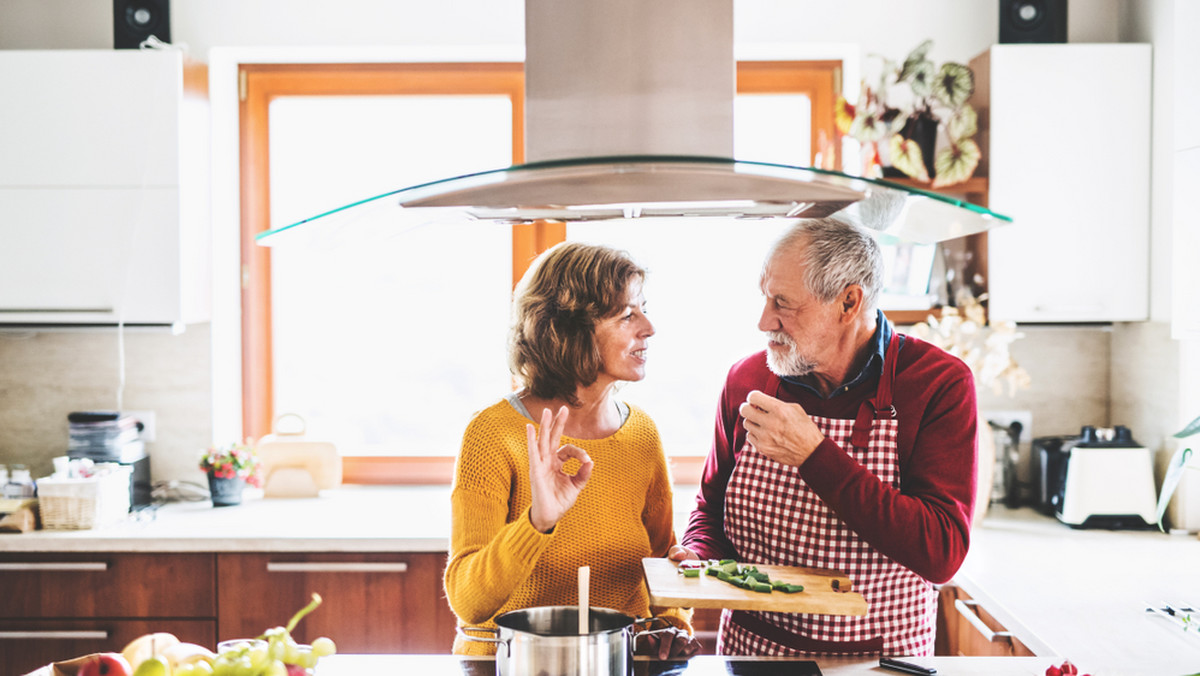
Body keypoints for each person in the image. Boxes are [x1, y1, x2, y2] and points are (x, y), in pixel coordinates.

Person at [669, 217, 978, 657]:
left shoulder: (938, 384)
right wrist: (697, 555)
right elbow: (710, 510)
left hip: (879, 659)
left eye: (783, 303)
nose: (763, 321)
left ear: (849, 302)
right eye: (764, 297)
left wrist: (814, 454)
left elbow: (941, 553)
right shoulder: (749, 379)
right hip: (752, 655)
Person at [445, 241, 701, 659]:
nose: (649, 327)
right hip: (512, 665)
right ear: (569, 330)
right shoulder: (493, 434)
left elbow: (660, 563)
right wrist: (537, 522)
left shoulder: (641, 434)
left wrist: (671, 623)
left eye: (643, 309)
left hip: (616, 662)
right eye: (626, 315)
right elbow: (468, 600)